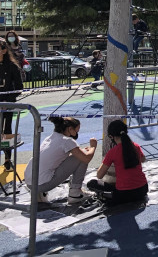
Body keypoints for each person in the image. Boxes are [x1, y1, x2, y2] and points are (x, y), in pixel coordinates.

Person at [24, 116, 97, 204]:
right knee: (83, 156)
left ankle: (39, 194)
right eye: (76, 131)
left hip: (30, 183)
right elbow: (86, 159)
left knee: (80, 154)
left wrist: (79, 152)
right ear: (70, 129)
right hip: (42, 185)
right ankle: (75, 193)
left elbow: (58, 156)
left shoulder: (50, 138)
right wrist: (93, 147)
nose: (77, 133)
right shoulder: (67, 141)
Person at [87, 120, 148, 206]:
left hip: (123, 194)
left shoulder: (113, 152)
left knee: (92, 183)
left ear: (111, 137)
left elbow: (99, 175)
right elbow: (143, 159)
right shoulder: (136, 146)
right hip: (142, 189)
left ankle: (106, 196)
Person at [1, 38, 24, 171]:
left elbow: (19, 87)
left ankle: (8, 159)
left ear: (4, 50)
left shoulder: (12, 66)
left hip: (7, 104)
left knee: (6, 130)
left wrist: (8, 100)